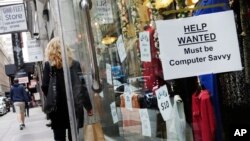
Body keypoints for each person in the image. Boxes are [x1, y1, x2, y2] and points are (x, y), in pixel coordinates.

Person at [41, 37, 93, 141]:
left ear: (50, 50)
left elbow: (45, 86)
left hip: (56, 109)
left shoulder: (48, 66)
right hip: (74, 106)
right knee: (73, 136)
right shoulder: (75, 64)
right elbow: (81, 88)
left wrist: (52, 97)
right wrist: (88, 107)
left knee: (59, 137)